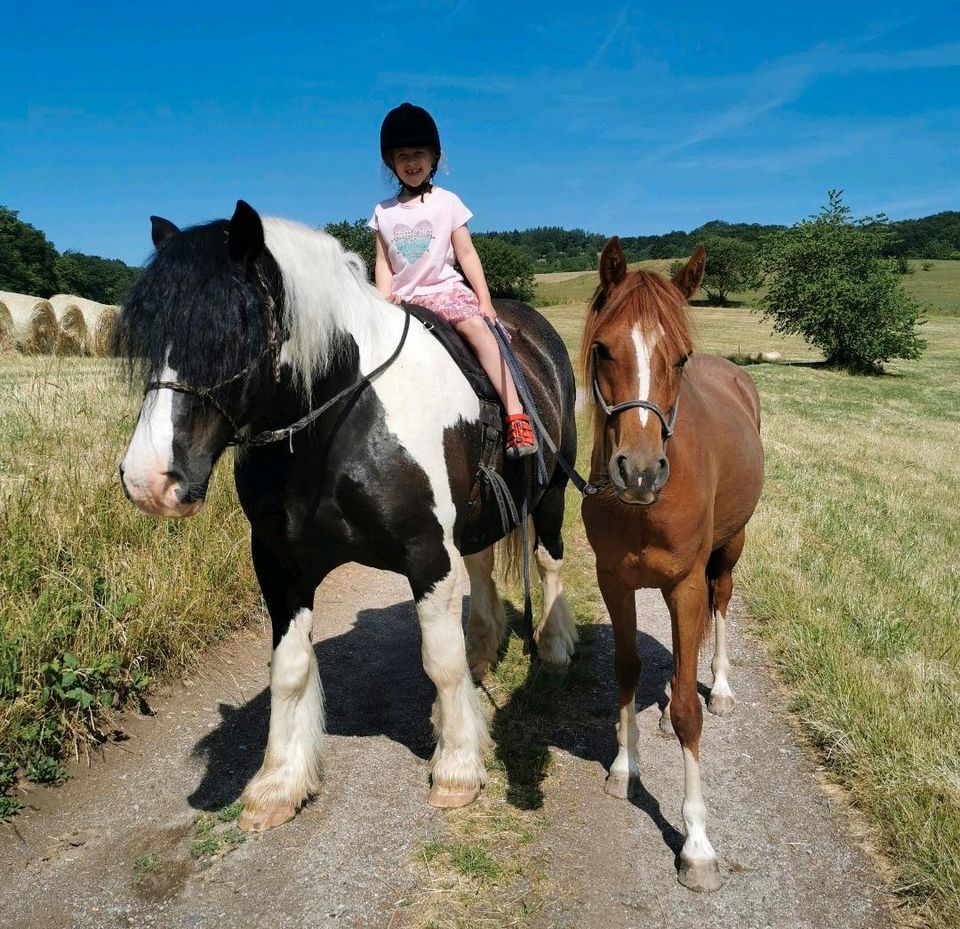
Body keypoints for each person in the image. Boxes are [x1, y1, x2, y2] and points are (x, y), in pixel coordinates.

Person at [369, 102, 537, 458]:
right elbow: (383, 262)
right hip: (405, 300)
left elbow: (468, 255)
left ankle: (515, 414)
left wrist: (485, 300)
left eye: (418, 153)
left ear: (434, 159)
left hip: (444, 292)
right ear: (391, 164)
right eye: (402, 156)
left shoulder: (448, 203)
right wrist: (384, 297)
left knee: (478, 330)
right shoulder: (383, 212)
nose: (411, 162)